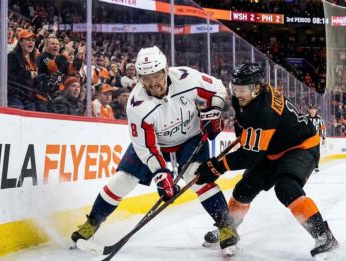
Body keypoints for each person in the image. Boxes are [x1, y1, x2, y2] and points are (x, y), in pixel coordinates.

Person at [71, 46, 239, 256]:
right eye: (146, 77)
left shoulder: (187, 78)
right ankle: (92, 222)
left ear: (166, 69)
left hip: (190, 137)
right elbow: (147, 147)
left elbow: (218, 89)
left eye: (157, 75)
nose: (153, 82)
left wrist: (214, 110)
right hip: (156, 145)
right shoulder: (136, 105)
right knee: (122, 180)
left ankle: (225, 226)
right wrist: (161, 175)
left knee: (197, 176)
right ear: (139, 77)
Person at [197, 63, 338, 259]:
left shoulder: (264, 110)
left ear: (256, 88)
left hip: (301, 146)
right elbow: (243, 126)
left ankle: (324, 237)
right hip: (272, 149)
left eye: (242, 89)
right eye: (235, 88)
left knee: (286, 188)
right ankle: (228, 228)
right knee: (244, 189)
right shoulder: (245, 99)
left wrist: (216, 167)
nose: (237, 94)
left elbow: (250, 156)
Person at [308, 104, 326, 173]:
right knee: (307, 153)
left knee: (317, 153)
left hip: (316, 140)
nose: (312, 110)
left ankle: (316, 166)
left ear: (316, 110)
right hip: (307, 140)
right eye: (311, 109)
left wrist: (323, 138)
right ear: (309, 110)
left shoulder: (319, 119)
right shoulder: (306, 118)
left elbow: (323, 128)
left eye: (314, 109)